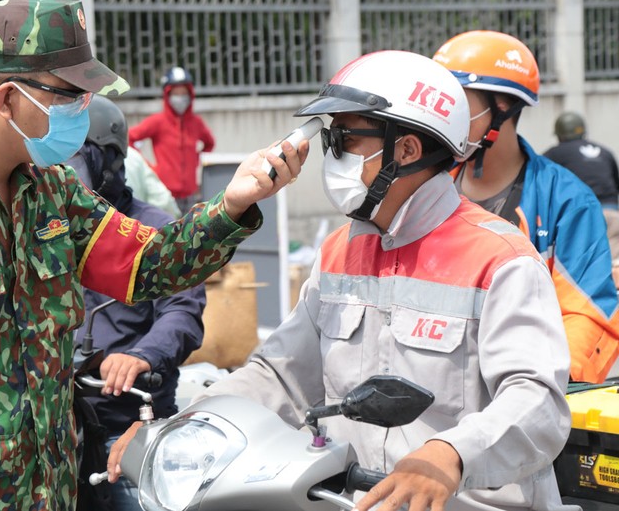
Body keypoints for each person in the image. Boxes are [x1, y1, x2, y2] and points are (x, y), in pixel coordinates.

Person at [0, 0, 306, 510]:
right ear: (8, 98)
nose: (83, 111)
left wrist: (231, 206)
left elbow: (146, 264)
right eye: (69, 96)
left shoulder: (50, 192)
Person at [108, 50, 573, 511]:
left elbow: (538, 404)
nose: (331, 155)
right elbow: (280, 376)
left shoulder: (501, 258)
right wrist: (178, 427)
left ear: (407, 150)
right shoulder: (338, 252)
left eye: (346, 138)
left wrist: (451, 455)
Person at [433, 30, 619, 383]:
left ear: (502, 106)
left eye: (457, 100)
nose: (443, 113)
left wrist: (537, 395)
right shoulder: (425, 185)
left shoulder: (565, 201)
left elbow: (587, 314)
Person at [66, 95, 205, 511]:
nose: (60, 180)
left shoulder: (155, 231)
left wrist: (140, 356)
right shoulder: (49, 233)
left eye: (71, 164)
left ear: (107, 162)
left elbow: (182, 311)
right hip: (58, 434)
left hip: (127, 430)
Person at [128, 66, 216, 214]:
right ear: (168, 95)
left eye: (184, 93)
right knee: (167, 233)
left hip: (190, 195)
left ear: (190, 94)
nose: (180, 98)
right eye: (176, 93)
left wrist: (195, 158)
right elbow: (129, 138)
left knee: (190, 234)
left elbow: (209, 143)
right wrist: (147, 166)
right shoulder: (158, 122)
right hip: (165, 194)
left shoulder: (195, 122)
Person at [544, 111, 619, 210]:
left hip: (582, 210)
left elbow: (540, 181)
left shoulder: (554, 153)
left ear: (559, 135)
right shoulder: (605, 152)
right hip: (611, 209)